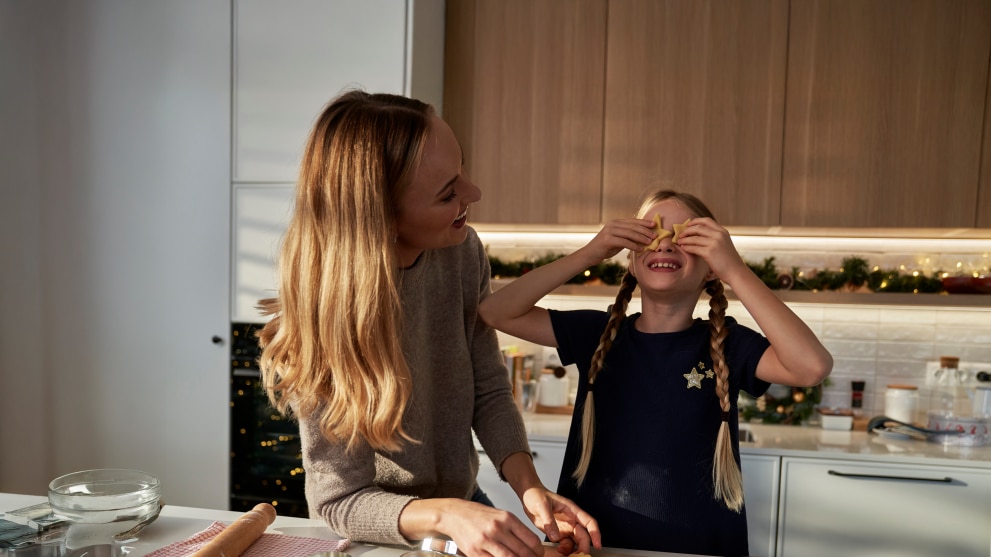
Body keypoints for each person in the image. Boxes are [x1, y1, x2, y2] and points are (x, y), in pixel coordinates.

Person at [254, 90, 600, 557]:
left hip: (459, 508)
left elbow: (489, 390)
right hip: (373, 534)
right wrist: (448, 515)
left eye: (461, 170)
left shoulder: (460, 252)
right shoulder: (325, 312)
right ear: (383, 219)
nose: (473, 194)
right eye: (447, 193)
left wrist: (529, 488)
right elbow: (337, 501)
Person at [479, 190, 832, 556]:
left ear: (711, 266)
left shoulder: (729, 344)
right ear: (632, 261)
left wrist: (735, 269)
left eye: (684, 238)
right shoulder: (598, 335)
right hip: (595, 543)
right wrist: (592, 252)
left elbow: (812, 366)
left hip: (700, 547)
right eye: (650, 236)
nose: (664, 245)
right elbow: (496, 312)